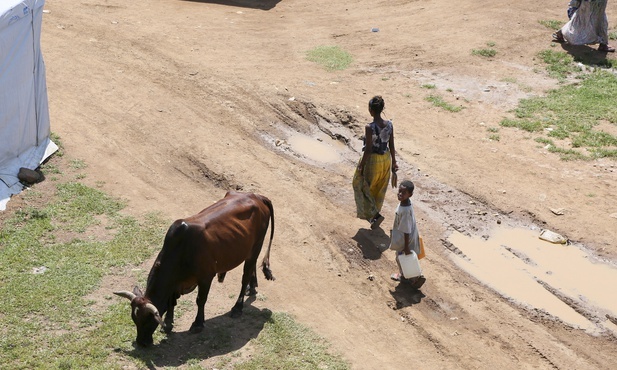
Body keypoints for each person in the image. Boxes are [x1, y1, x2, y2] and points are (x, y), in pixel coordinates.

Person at [352, 95, 398, 229]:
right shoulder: (389, 124)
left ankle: (374, 216)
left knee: (360, 185)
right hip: (386, 160)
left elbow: (368, 149)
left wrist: (361, 165)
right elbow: (392, 145)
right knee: (378, 189)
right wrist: (394, 163)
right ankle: (374, 216)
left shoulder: (369, 127)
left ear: (371, 110)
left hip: (372, 161)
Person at [388, 180, 425, 289]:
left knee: (402, 258)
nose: (400, 194)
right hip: (409, 236)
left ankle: (412, 278)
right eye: (399, 191)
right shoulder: (406, 203)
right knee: (405, 258)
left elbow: (406, 230)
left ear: (410, 195)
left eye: (403, 193)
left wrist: (406, 247)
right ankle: (411, 276)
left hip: (405, 239)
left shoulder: (404, 210)